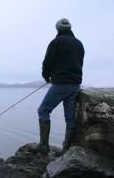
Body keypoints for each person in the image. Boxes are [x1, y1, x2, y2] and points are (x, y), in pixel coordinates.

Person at [36, 18, 84, 154]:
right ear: (70, 28)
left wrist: (46, 76)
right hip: (75, 85)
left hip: (61, 84)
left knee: (43, 111)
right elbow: (79, 63)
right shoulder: (79, 44)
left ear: (58, 29)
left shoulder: (56, 42)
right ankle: (66, 150)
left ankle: (44, 146)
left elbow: (47, 62)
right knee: (70, 119)